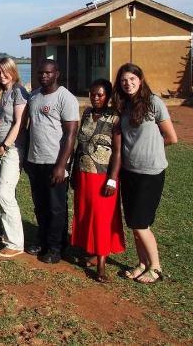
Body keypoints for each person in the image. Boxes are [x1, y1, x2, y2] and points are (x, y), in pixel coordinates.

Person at [112, 63, 177, 284]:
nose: (128, 83)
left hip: (150, 173)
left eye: (132, 79)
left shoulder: (154, 103)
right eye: (123, 80)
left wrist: (152, 152)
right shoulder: (124, 105)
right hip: (129, 172)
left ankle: (156, 268)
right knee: (133, 222)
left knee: (141, 223)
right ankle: (142, 263)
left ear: (140, 80)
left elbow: (171, 137)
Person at [25, 59, 79, 264]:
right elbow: (31, 127)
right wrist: (27, 160)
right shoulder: (34, 96)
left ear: (57, 73)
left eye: (48, 73)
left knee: (56, 207)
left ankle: (56, 247)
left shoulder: (66, 98)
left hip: (55, 161)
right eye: (41, 73)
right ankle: (43, 240)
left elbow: (70, 134)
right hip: (35, 160)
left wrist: (61, 165)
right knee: (40, 205)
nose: (43, 76)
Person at [71, 79, 125, 282]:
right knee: (85, 214)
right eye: (93, 94)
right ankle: (93, 253)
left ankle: (101, 266)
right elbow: (80, 145)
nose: (95, 98)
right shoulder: (86, 113)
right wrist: (73, 172)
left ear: (108, 96)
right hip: (83, 173)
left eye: (100, 95)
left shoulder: (114, 117)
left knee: (102, 219)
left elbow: (118, 152)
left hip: (103, 177)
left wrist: (112, 179)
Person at [0, 57, 29, 258]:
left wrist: (5, 145)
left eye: (5, 71)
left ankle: (16, 242)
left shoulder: (19, 91)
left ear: (13, 71)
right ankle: (7, 234)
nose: (1, 75)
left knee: (5, 192)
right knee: (0, 191)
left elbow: (20, 122)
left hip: (11, 149)